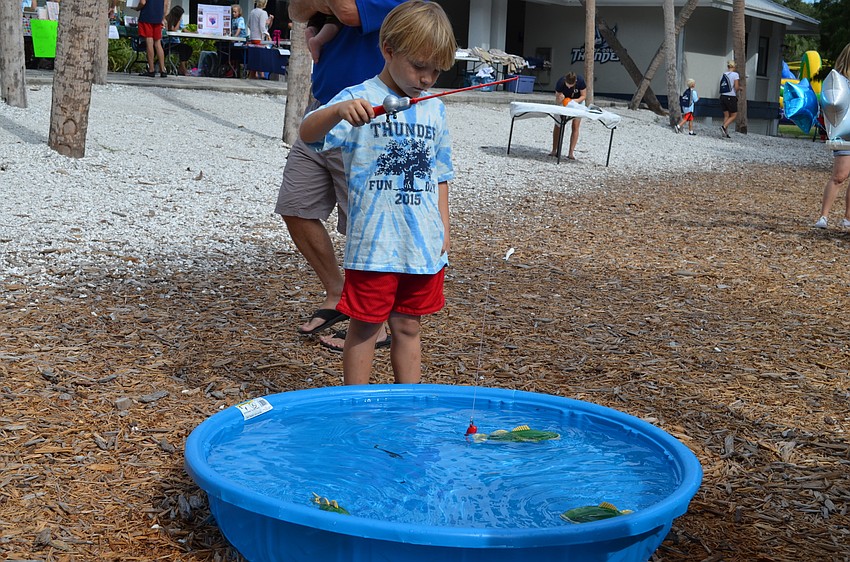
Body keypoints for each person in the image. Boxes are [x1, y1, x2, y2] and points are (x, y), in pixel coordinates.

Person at [299, 0, 455, 385]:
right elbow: (307, 133)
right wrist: (337, 112)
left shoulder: (434, 108)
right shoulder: (357, 97)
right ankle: (356, 412)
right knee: (365, 328)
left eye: (436, 71)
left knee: (408, 328)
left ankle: (407, 410)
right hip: (373, 246)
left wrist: (444, 230)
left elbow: (440, 174)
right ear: (388, 50)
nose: (427, 79)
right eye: (419, 66)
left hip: (419, 245)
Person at [275, 0, 404, 351]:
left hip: (370, 117)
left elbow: (348, 12)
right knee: (295, 206)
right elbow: (297, 11)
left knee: (366, 228)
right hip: (323, 108)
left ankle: (374, 323)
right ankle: (339, 295)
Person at [814, 43, 850, 230]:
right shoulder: (838, 81)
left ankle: (848, 218)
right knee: (839, 176)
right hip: (843, 133)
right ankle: (824, 216)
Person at [550, 72, 587, 160]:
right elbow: (557, 100)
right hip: (564, 101)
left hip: (578, 101)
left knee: (575, 126)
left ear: (576, 81)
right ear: (565, 81)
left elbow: (584, 96)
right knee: (558, 124)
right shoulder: (560, 83)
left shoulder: (581, 81)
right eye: (568, 85)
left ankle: (571, 152)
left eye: (572, 85)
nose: (569, 87)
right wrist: (560, 99)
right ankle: (554, 149)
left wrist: (574, 101)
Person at [136, 0, 169, 78]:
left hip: (147, 15)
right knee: (158, 43)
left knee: (149, 42)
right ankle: (163, 70)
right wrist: (163, 17)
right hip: (158, 16)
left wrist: (137, 8)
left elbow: (142, 2)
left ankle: (151, 69)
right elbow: (166, 4)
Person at [162, 5, 192, 76]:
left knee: (189, 48)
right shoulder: (167, 20)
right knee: (182, 48)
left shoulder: (179, 21)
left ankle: (181, 67)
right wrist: (178, 21)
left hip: (176, 42)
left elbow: (184, 29)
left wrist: (193, 33)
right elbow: (174, 30)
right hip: (168, 43)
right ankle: (183, 69)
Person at [247, 0, 273, 79]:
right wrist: (267, 35)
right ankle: (259, 75)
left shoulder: (252, 12)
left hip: (252, 37)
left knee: (254, 56)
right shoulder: (263, 13)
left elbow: (248, 24)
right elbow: (262, 27)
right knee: (260, 57)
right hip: (259, 38)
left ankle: (253, 74)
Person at [719, 60, 741, 138]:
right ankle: (723, 127)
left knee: (726, 115)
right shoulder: (735, 75)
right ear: (734, 66)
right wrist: (740, 88)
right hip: (730, 96)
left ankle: (725, 133)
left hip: (723, 96)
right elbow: (736, 87)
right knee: (734, 115)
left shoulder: (724, 74)